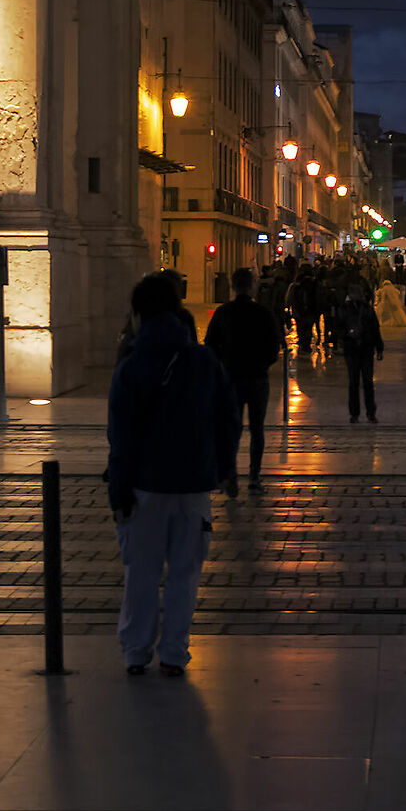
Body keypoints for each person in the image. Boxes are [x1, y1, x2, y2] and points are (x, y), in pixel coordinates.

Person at [106, 272, 241, 676]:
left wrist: (119, 488)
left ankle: (135, 651)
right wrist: (222, 468)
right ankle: (174, 653)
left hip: (145, 486)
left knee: (141, 573)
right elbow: (228, 419)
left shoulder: (131, 364)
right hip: (194, 484)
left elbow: (121, 434)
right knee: (185, 572)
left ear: (138, 314)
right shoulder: (203, 360)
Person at [203, 265, 282, 482]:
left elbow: (209, 344)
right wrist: (263, 364)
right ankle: (254, 475)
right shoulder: (263, 313)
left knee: (231, 428)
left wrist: (223, 363)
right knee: (257, 429)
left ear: (233, 286)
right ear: (253, 286)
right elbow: (274, 347)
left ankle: (230, 474)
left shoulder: (224, 312)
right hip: (257, 378)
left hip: (231, 378)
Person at [340, 287, 384, 421]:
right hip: (363, 348)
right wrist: (379, 347)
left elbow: (338, 327)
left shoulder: (345, 309)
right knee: (365, 382)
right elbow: (375, 329)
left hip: (357, 349)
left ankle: (357, 413)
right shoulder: (367, 309)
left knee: (356, 382)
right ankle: (368, 412)